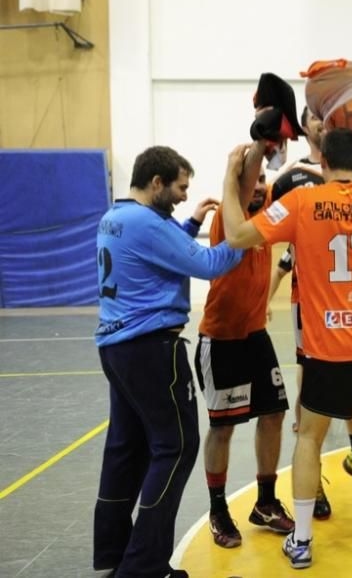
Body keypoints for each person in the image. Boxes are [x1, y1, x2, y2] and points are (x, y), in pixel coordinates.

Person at [222, 129, 352, 575]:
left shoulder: (304, 202)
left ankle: (301, 542)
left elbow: (238, 234)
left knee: (309, 439)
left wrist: (229, 176)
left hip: (328, 348)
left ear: (323, 163)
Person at [93, 146, 244, 578]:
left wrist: (192, 222)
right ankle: (143, 568)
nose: (182, 196)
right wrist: (242, 238)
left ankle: (111, 557)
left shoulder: (116, 217)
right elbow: (211, 264)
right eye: (179, 187)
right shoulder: (147, 223)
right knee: (176, 448)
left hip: (117, 347)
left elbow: (158, 250)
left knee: (125, 450)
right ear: (156, 183)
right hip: (152, 349)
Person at [267, 107, 352, 516]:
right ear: (306, 125)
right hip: (313, 302)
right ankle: (311, 476)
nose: (325, 122)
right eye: (317, 116)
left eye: (331, 115)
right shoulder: (290, 177)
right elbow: (278, 238)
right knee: (310, 386)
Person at [195, 142, 294, 549]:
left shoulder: (267, 215)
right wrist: (245, 157)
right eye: (252, 185)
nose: (259, 189)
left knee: (273, 415)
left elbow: (279, 183)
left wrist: (277, 145)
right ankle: (218, 509)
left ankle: (265, 501)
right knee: (223, 426)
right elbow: (246, 180)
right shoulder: (226, 217)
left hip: (255, 334)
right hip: (220, 338)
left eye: (262, 186)